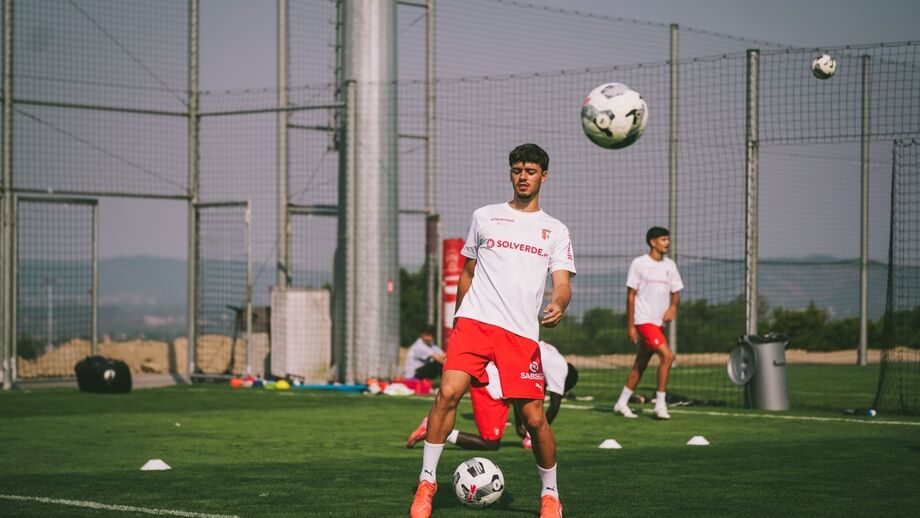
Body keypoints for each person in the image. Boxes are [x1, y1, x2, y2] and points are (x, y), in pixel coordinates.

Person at [409, 144, 575, 518]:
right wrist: (457, 320)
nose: (522, 176)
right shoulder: (485, 217)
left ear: (543, 176)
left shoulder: (555, 230)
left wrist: (559, 304)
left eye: (530, 171)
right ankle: (427, 482)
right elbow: (467, 272)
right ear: (510, 173)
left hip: (519, 334)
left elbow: (562, 284)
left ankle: (550, 494)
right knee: (447, 393)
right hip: (475, 323)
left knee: (534, 418)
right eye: (517, 169)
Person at [405, 341, 579, 451]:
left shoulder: (553, 353)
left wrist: (522, 430)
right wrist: (536, 435)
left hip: (499, 381)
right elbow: (554, 406)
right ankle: (433, 428)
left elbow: (522, 393)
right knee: (490, 444)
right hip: (491, 385)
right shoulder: (560, 369)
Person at [613, 226, 684, 420]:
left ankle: (621, 403)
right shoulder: (639, 263)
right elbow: (631, 295)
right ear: (652, 242)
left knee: (641, 364)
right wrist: (630, 325)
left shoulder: (670, 265)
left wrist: (673, 308)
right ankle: (660, 405)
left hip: (659, 323)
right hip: (643, 321)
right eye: (663, 239)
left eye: (668, 239)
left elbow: (676, 293)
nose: (667, 243)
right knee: (668, 357)